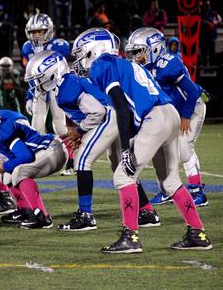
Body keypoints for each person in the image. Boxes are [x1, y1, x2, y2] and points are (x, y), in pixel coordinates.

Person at [73, 27, 212, 252]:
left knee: (123, 176)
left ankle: (131, 237)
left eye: (81, 52)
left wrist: (127, 148)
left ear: (93, 49)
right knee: (170, 181)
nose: (78, 59)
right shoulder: (127, 65)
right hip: (169, 113)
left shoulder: (102, 65)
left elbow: (121, 108)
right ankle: (198, 233)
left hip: (154, 118)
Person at [25, 50, 160, 231]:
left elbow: (98, 111)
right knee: (120, 165)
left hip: (108, 116)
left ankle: (85, 215)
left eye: (39, 78)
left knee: (82, 160)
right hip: (111, 117)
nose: (36, 83)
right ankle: (146, 211)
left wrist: (80, 131)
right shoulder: (65, 85)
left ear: (52, 73)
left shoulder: (67, 86)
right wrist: (79, 129)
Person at [126, 27, 209, 207]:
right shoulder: (142, 70)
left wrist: (186, 117)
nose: (135, 57)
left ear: (154, 49)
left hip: (191, 106)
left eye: (139, 52)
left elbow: (192, 91)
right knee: (160, 152)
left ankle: (197, 191)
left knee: (184, 148)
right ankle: (167, 190)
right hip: (171, 111)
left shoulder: (167, 64)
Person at [0, 101, 67, 228]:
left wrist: (5, 166)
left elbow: (26, 156)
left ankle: (41, 217)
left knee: (18, 172)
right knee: (5, 176)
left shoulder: (3, 130)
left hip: (52, 149)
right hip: (43, 153)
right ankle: (26, 210)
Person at [21, 13, 73, 175]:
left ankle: (72, 160)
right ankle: (40, 160)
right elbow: (29, 73)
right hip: (38, 89)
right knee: (36, 126)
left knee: (60, 126)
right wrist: (29, 97)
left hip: (56, 88)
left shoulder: (59, 46)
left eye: (40, 31)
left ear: (49, 31)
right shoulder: (27, 48)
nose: (36, 35)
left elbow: (63, 70)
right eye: (34, 31)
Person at [200, 0, 222, 66]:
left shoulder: (213, 13)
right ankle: (204, 66)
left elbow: (219, 20)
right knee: (203, 53)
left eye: (208, 5)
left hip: (211, 36)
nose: (206, 7)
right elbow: (199, 20)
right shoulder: (201, 13)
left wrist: (213, 24)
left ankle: (212, 67)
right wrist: (208, 24)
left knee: (211, 53)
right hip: (203, 36)